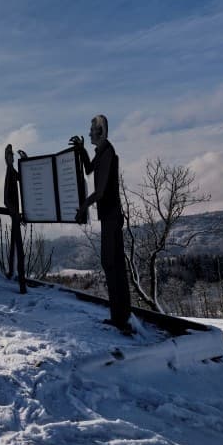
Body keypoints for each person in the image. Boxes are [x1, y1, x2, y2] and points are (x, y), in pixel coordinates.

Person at [70, 115, 133, 335]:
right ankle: (120, 315)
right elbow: (88, 169)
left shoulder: (108, 154)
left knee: (112, 263)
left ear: (101, 131)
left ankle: (120, 317)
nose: (88, 134)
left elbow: (101, 191)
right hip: (109, 216)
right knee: (112, 264)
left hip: (111, 216)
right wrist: (80, 150)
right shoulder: (102, 152)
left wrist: (83, 206)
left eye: (91, 130)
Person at [3, 144, 27, 289]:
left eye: (12, 156)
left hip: (16, 214)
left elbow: (22, 177)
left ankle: (11, 272)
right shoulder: (9, 172)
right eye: (10, 156)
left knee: (14, 245)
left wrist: (25, 161)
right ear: (7, 158)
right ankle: (20, 282)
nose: (12, 158)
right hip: (15, 214)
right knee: (18, 248)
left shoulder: (12, 171)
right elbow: (5, 199)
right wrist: (15, 213)